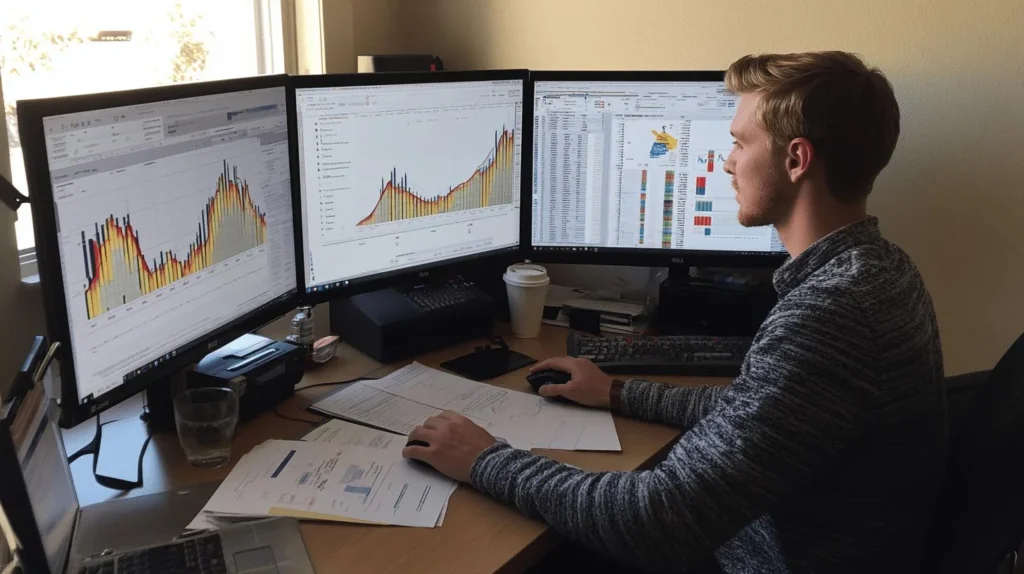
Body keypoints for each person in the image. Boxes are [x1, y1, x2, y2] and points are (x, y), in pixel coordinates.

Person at [403, 51, 947, 573]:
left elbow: (655, 522)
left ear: (796, 159)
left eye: (739, 143)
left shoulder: (830, 313)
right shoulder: (879, 268)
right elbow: (757, 416)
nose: (727, 162)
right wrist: (618, 392)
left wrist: (485, 458)